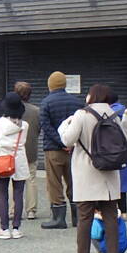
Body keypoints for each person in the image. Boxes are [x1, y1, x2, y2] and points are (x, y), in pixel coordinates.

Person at [58, 83, 127, 253]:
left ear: (91, 97)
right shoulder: (115, 114)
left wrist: (64, 125)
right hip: (110, 171)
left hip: (86, 171)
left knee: (85, 216)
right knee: (110, 214)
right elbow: (124, 138)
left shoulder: (82, 114)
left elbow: (68, 140)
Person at [39, 71, 84, 229]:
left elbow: (46, 126)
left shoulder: (46, 102)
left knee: (54, 183)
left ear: (50, 85)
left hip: (53, 149)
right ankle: (77, 217)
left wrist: (60, 141)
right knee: (74, 181)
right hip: (73, 149)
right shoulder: (77, 102)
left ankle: (58, 218)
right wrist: (70, 142)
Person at [0, 92, 29, 239]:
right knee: (18, 194)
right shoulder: (25, 125)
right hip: (20, 160)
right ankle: (17, 228)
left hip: (3, 160)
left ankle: (4, 228)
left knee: (3, 195)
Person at [14, 81, 40, 220]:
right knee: (31, 179)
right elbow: (38, 129)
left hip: (14, 150)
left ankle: (13, 210)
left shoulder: (10, 110)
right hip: (31, 148)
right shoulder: (36, 111)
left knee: (14, 179)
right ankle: (31, 210)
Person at [108, 92, 127, 218]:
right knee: (122, 185)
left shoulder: (110, 113)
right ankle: (124, 212)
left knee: (114, 183)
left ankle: (115, 211)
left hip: (114, 151)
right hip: (126, 151)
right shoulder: (123, 109)